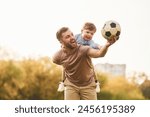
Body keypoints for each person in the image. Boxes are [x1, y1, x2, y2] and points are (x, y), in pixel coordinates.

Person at [52, 27, 117, 100]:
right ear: (61, 41)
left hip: (88, 85)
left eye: (72, 35)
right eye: (67, 37)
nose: (72, 38)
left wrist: (106, 45)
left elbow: (99, 53)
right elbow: (59, 62)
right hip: (71, 85)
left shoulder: (83, 49)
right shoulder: (57, 56)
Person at [57, 22, 101, 93]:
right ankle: (62, 82)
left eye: (92, 34)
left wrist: (99, 47)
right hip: (72, 57)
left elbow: (94, 45)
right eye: (87, 32)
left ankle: (96, 82)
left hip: (84, 59)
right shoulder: (76, 37)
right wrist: (63, 46)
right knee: (65, 67)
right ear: (82, 31)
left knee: (92, 67)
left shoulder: (90, 41)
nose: (89, 35)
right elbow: (68, 42)